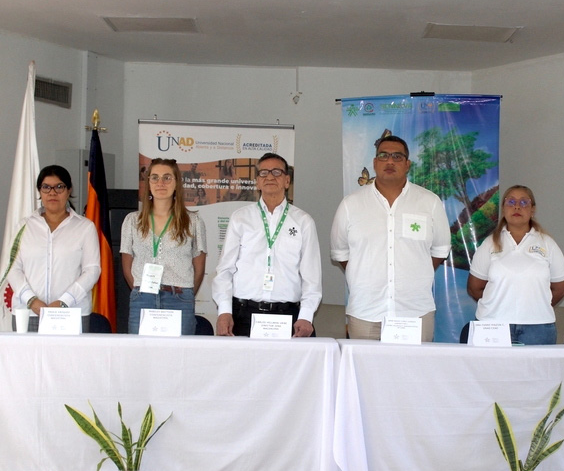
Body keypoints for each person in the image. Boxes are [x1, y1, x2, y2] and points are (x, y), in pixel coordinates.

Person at [330, 135, 451, 341]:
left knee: (413, 372)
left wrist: (413, 274)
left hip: (415, 311)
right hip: (366, 312)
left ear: (407, 164)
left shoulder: (429, 202)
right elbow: (341, 253)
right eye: (384, 156)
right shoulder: (351, 204)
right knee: (364, 372)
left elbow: (440, 250)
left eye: (397, 156)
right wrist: (365, 275)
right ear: (375, 163)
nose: (390, 161)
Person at [212, 153, 321, 337]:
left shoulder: (303, 221)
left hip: (289, 317)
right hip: (243, 315)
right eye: (264, 173)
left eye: (276, 172)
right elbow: (224, 270)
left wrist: (306, 316)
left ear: (287, 181)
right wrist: (224, 311)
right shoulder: (240, 218)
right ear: (257, 182)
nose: (270, 177)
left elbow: (312, 277)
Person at [466, 185, 564, 345]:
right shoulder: (489, 244)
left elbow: (561, 288)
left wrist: (536, 304)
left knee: (536, 371)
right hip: (493, 325)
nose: (516, 206)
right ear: (503, 208)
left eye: (523, 202)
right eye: (511, 202)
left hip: (538, 328)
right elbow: (474, 287)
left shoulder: (548, 244)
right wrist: (499, 303)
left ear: (532, 209)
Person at [9, 165, 101, 332]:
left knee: (70, 359)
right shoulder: (24, 226)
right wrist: (31, 301)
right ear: (39, 192)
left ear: (69, 190)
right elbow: (12, 268)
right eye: (46, 187)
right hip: (28, 313)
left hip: (71, 313)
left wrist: (65, 301)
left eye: (59, 187)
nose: (52, 193)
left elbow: (92, 270)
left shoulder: (85, 227)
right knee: (28, 359)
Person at [120, 158, 206, 335]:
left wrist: (183, 293)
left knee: (179, 357)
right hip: (142, 298)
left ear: (176, 184)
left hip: (180, 299)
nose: (160, 183)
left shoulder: (193, 221)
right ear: (148, 183)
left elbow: (199, 268)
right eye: (155, 178)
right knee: (141, 355)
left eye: (167, 178)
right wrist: (143, 289)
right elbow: (127, 266)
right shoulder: (131, 221)